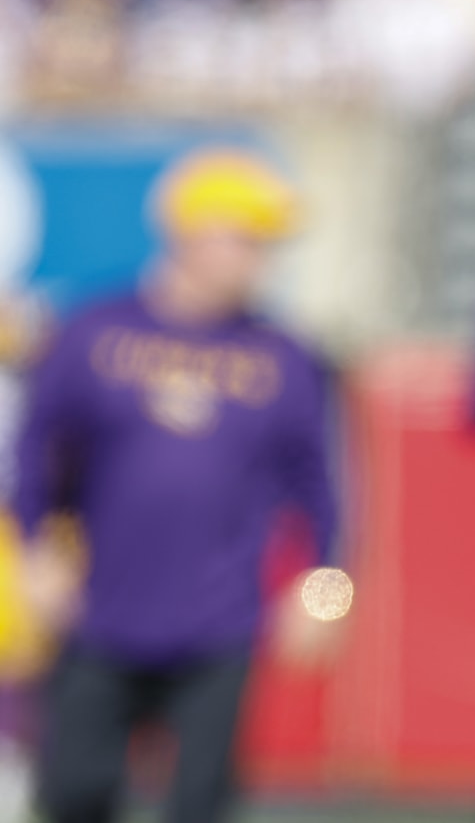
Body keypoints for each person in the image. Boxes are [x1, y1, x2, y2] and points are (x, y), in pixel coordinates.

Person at [11, 147, 342, 823]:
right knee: (74, 794)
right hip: (97, 619)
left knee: (200, 804)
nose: (260, 259)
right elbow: (36, 452)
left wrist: (325, 596)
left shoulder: (283, 357)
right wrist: (37, 552)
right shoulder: (94, 331)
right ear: (191, 234)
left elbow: (324, 490)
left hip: (221, 629)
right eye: (246, 240)